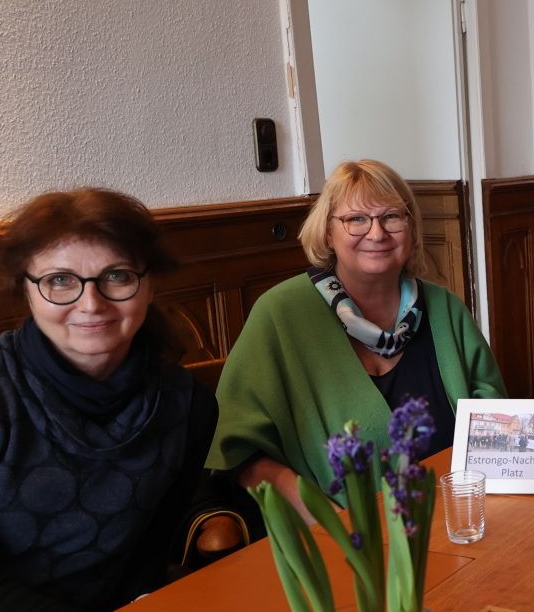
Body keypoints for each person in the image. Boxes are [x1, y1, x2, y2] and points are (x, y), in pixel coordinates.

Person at [0, 188, 245, 612]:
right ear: (26, 288)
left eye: (116, 276)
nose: (91, 303)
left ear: (149, 285)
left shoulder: (186, 406)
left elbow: (144, 561)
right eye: (61, 280)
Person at [208, 160, 505, 511]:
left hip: (455, 517)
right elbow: (240, 451)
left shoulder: (445, 309)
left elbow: (494, 424)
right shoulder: (281, 314)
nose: (377, 233)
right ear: (328, 232)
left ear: (411, 228)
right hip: (337, 540)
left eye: (392, 217)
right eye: (356, 219)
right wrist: (327, 521)